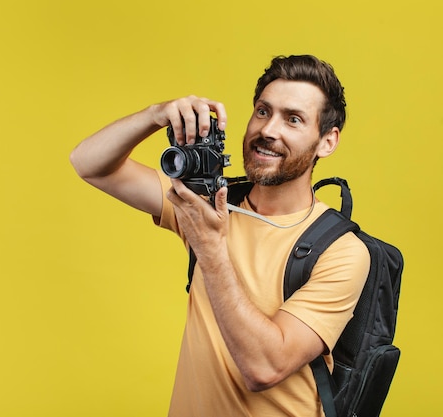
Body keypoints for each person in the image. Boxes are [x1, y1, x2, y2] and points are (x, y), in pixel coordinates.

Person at [69, 55, 370, 417]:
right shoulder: (208, 207)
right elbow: (89, 163)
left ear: (327, 142)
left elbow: (264, 368)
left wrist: (211, 248)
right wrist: (155, 114)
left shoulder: (341, 253)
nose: (268, 130)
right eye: (263, 111)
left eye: (293, 119)